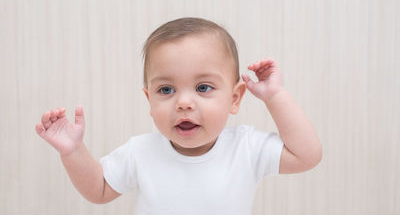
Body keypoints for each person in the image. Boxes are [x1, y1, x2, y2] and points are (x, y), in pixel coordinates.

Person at [35, 17, 322, 215]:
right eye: (167, 89)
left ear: (234, 98)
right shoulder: (141, 152)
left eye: (203, 87)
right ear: (149, 99)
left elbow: (306, 155)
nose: (184, 102)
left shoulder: (246, 149)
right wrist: (73, 151)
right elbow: (99, 190)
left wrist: (275, 97)